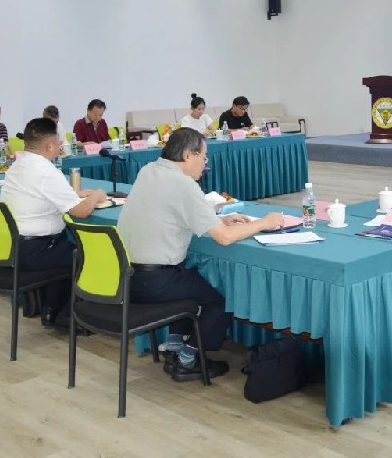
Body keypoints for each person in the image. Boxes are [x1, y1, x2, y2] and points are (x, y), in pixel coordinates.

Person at [117, 128, 284, 381]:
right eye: (204, 157)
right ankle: (188, 359)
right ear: (188, 155)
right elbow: (224, 238)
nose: (205, 164)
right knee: (217, 303)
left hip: (127, 277)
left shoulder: (148, 170)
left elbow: (170, 210)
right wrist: (265, 222)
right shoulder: (184, 184)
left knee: (189, 282)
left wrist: (218, 219)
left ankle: (175, 346)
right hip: (155, 281)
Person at [0, 118, 108, 326]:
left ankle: (51, 309)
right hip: (36, 249)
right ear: (50, 146)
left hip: (13, 246)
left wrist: (75, 195)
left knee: (64, 247)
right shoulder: (46, 171)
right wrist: (96, 195)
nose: (60, 146)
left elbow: (40, 195)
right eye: (59, 142)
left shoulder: (17, 165)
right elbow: (81, 212)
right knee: (88, 255)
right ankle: (68, 315)